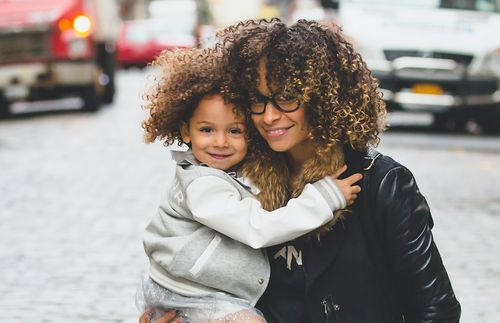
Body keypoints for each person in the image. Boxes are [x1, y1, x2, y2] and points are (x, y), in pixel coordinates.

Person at [147, 18, 461, 322]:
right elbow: (192, 275)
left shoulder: (382, 183)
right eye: (259, 99)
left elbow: (437, 311)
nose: (269, 116)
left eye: (286, 99)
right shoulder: (236, 180)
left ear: (321, 98)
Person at [138, 47, 363, 322]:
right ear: (186, 131)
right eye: (207, 130)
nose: (220, 142)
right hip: (188, 294)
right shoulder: (201, 185)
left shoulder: (236, 172)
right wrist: (323, 198)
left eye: (234, 131)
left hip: (202, 290)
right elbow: (257, 228)